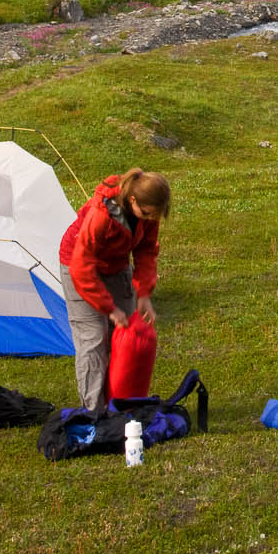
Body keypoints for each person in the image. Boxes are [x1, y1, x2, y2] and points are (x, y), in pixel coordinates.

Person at [59, 167, 168, 411]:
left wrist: (144, 293)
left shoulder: (147, 213)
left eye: (155, 216)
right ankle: (94, 413)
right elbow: (81, 266)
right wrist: (108, 307)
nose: (151, 219)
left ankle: (121, 405)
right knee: (94, 339)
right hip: (78, 265)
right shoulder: (101, 215)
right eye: (148, 213)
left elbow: (147, 250)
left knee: (127, 334)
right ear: (132, 201)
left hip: (115, 265)